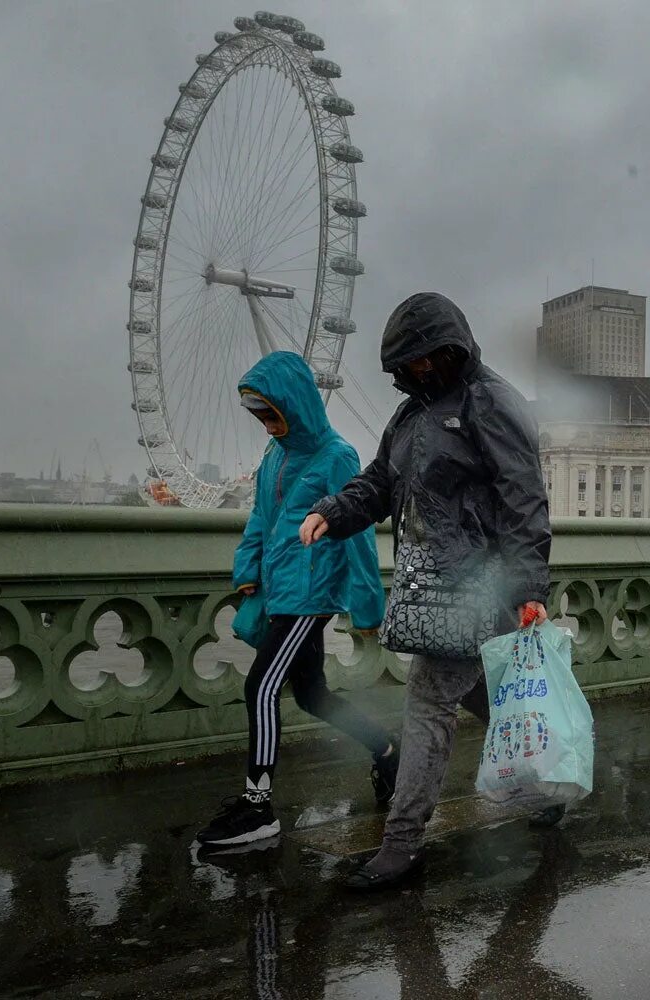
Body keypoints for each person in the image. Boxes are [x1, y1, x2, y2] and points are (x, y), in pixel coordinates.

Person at [300, 292, 552, 890]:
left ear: (450, 348)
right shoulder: (410, 416)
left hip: (481, 585)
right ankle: (543, 787)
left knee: (428, 701)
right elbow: (380, 483)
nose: (416, 371)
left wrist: (527, 589)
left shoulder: (492, 403)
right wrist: (333, 513)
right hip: (430, 582)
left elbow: (525, 499)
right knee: (471, 694)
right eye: (407, 363)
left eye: (424, 358)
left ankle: (403, 842)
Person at [196, 351, 392, 849]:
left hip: (312, 592)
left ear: (295, 403)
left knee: (260, 686)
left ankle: (257, 806)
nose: (266, 426)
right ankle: (388, 749)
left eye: (271, 414)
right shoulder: (275, 457)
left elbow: (358, 533)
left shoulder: (337, 455)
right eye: (258, 416)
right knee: (311, 695)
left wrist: (368, 605)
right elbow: (260, 518)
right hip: (280, 589)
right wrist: (247, 572)